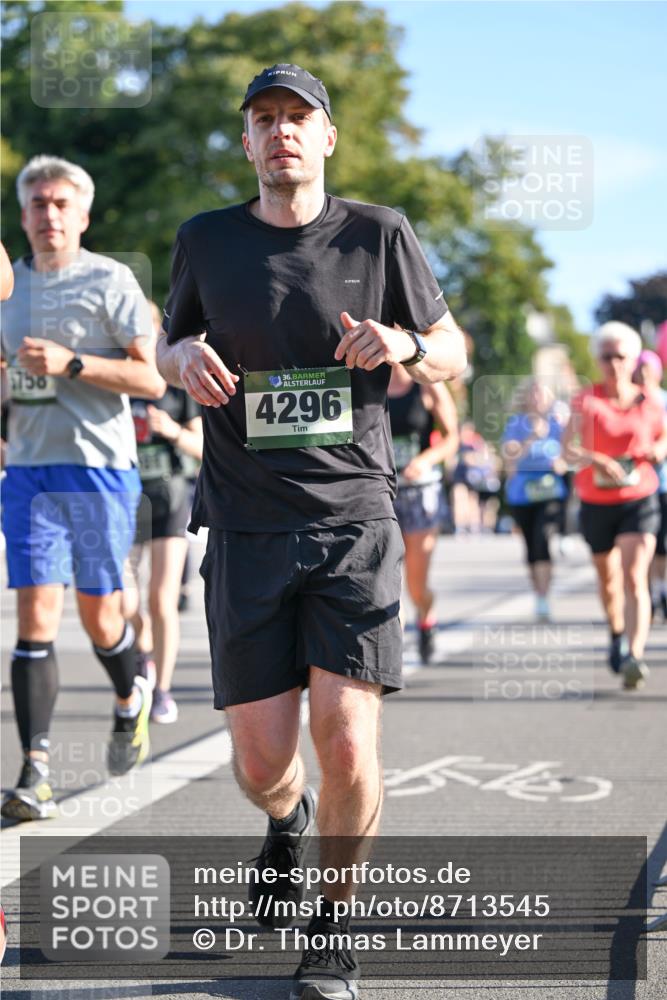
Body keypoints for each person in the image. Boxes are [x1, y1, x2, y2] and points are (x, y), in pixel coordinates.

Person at [156, 63, 466, 1000]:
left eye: (299, 117)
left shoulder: (380, 234)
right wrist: (180, 358)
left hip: (352, 522)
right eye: (264, 119)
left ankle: (333, 931)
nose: (282, 131)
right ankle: (284, 823)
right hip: (245, 524)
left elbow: (452, 351)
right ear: (246, 142)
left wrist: (406, 345)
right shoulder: (204, 240)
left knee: (345, 736)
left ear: (327, 136)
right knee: (261, 761)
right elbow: (170, 343)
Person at [0, 155, 164, 821]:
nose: (49, 215)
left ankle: (132, 695)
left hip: (100, 470)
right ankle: (34, 771)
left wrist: (72, 363)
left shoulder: (111, 279)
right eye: (37, 204)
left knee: (101, 616)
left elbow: (152, 381)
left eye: (61, 203)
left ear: (83, 214)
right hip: (30, 473)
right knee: (35, 614)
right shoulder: (9, 292)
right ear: (23, 215)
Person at [562, 322, 667, 689]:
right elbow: (567, 449)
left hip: (639, 499)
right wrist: (595, 458)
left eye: (620, 356)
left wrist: (658, 450)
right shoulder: (585, 400)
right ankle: (616, 631)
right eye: (606, 356)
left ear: (633, 358)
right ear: (598, 359)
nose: (613, 363)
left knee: (635, 574)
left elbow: (664, 436)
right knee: (609, 582)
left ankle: (634, 655)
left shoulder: (650, 400)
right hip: (596, 501)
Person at [124, 302, 203, 723]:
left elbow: (202, 447)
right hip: (122, 498)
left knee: (162, 597)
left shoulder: (177, 384)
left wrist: (170, 430)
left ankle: (163, 690)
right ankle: (142, 647)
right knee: (122, 597)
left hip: (170, 497)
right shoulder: (114, 379)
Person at [387, 363, 459, 662]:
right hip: (382, 491)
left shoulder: (426, 384)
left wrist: (427, 460)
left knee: (416, 583)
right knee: (385, 578)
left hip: (421, 492)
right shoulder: (367, 380)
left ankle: (427, 616)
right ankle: (391, 650)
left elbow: (451, 437)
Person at [502, 378, 569, 622]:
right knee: (531, 545)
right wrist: (530, 437)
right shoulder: (516, 423)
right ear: (526, 398)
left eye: (542, 394)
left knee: (543, 538)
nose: (537, 398)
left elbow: (570, 451)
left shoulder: (558, 423)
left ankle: (544, 594)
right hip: (522, 493)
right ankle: (538, 592)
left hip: (550, 491)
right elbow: (509, 456)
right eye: (533, 394)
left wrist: (563, 462)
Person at [633, 349, 667, 620]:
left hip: (664, 481)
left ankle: (661, 588)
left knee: (663, 543)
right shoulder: (629, 400)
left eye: (648, 369)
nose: (644, 374)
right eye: (640, 369)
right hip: (638, 484)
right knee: (645, 542)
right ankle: (652, 591)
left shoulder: (664, 401)